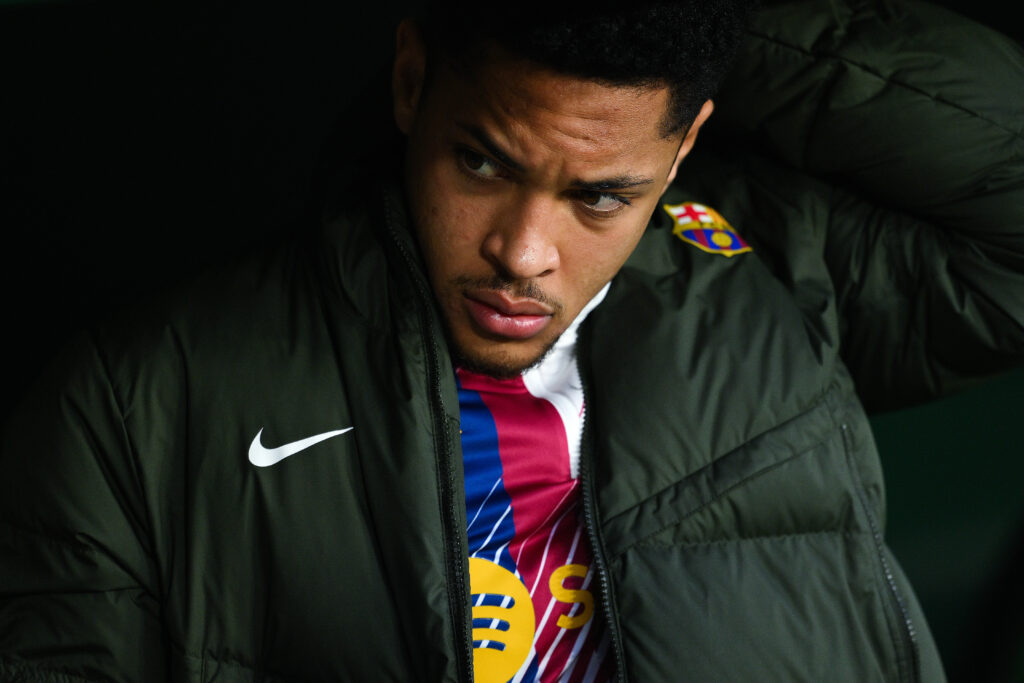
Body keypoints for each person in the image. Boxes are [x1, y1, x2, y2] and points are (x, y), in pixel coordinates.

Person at [1, 0, 1022, 681]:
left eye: (599, 195)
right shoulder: (136, 404)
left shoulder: (764, 274)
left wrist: (692, 22)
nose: (523, 252)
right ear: (411, 81)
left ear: (685, 145)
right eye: (482, 164)